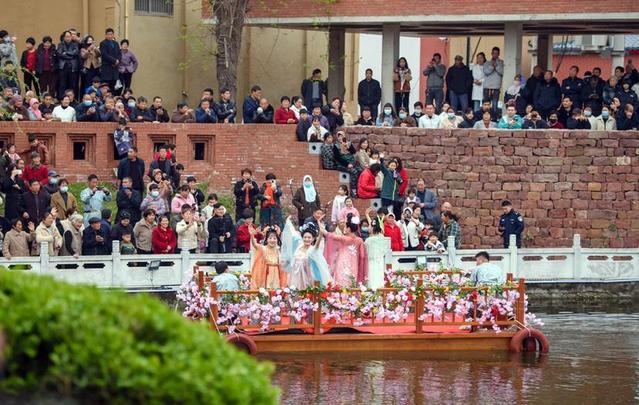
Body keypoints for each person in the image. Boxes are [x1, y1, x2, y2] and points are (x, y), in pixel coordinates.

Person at [281, 217, 332, 289]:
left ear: (313, 239)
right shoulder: (299, 247)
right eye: (305, 237)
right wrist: (288, 222)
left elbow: (317, 245)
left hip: (307, 278)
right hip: (296, 278)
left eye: (309, 237)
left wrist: (321, 234)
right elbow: (293, 234)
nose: (306, 239)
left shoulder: (312, 250)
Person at [323, 214, 368, 287]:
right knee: (351, 282)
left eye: (345, 227)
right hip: (354, 263)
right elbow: (362, 256)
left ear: (349, 229)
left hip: (342, 262)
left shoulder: (344, 238)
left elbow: (328, 235)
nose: (344, 229)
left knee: (341, 283)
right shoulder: (360, 240)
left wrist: (320, 224)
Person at [364, 217, 391, 289]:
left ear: (373, 228)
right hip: (380, 261)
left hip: (371, 261)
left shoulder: (368, 240)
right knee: (379, 276)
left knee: (372, 276)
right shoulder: (383, 239)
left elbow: (366, 252)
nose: (369, 228)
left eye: (370, 226)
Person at [57, 31, 80, 100]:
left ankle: (73, 99)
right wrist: (70, 56)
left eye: (69, 36)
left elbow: (76, 52)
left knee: (73, 85)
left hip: (72, 67)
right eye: (66, 37)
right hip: (63, 67)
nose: (68, 38)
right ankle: (62, 99)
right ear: (64, 37)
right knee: (62, 85)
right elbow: (60, 54)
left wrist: (66, 53)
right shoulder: (60, 44)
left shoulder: (75, 44)